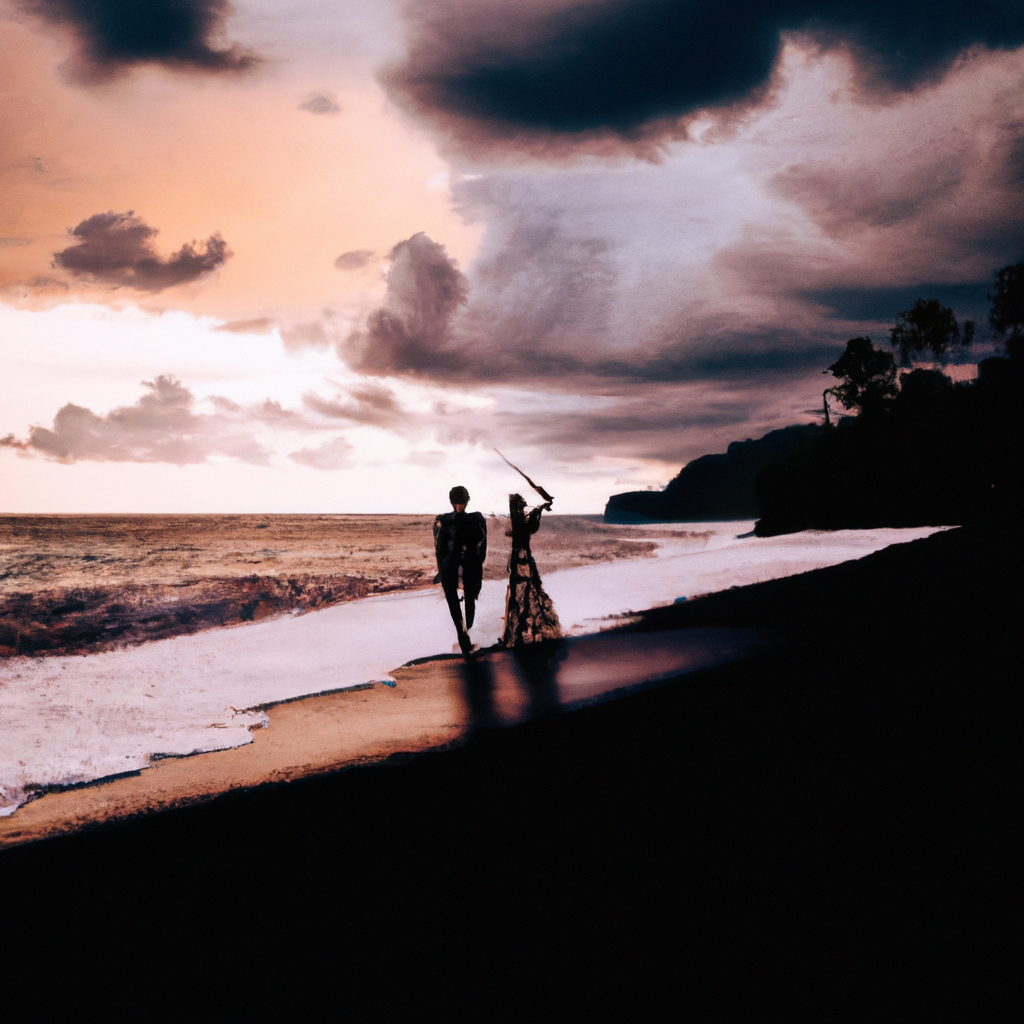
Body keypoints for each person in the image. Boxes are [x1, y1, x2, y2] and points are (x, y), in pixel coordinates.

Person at [500, 492, 562, 647]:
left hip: (521, 562)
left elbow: (525, 526)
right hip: (522, 561)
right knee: (524, 595)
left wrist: (540, 508)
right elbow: (528, 525)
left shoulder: (519, 523)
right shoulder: (520, 524)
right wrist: (540, 508)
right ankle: (527, 632)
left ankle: (526, 633)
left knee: (523, 595)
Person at [433, 486, 487, 654]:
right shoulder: (448, 520)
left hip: (457, 564)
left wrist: (441, 568)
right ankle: (464, 634)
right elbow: (481, 545)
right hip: (460, 565)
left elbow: (439, 548)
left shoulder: (446, 519)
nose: (459, 505)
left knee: (460, 602)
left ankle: (464, 632)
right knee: (465, 601)